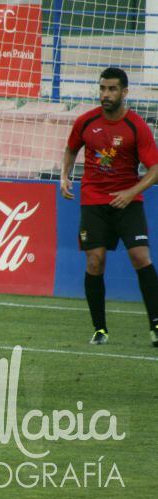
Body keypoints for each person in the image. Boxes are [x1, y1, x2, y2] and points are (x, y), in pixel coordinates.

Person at [60, 67, 158, 346]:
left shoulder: (136, 126)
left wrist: (131, 191)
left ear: (124, 92)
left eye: (112, 89)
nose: (106, 94)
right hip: (94, 201)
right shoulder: (85, 122)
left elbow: (155, 169)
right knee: (95, 260)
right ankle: (100, 329)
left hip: (128, 202)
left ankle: (156, 324)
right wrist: (64, 176)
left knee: (141, 257)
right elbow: (70, 149)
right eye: (102, 88)